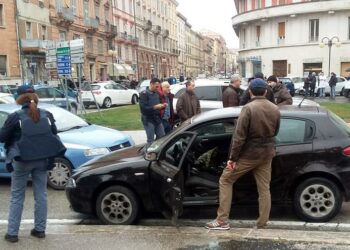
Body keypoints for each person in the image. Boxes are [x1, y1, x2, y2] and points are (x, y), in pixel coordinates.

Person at [205, 78, 280, 230]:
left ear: (250, 91)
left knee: (225, 180)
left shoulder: (248, 108)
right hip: (267, 154)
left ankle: (222, 221)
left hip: (249, 154)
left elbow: (239, 136)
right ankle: (262, 222)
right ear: (265, 91)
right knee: (264, 189)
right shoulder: (274, 108)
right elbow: (276, 131)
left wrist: (232, 158)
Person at [0, 85, 66, 243]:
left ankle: (12, 234)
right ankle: (40, 230)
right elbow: (53, 135)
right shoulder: (47, 115)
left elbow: (2, 138)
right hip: (43, 160)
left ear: (19, 98)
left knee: (17, 196)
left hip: (22, 160)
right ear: (35, 97)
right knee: (41, 195)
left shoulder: (15, 116)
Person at [139, 78, 165, 145]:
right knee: (151, 140)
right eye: (156, 86)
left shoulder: (157, 93)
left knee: (162, 137)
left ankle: (158, 151)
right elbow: (143, 109)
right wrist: (155, 107)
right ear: (151, 84)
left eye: (159, 86)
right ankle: (149, 154)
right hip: (148, 120)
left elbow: (160, 102)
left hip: (157, 118)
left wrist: (163, 105)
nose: (158, 88)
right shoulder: (144, 94)